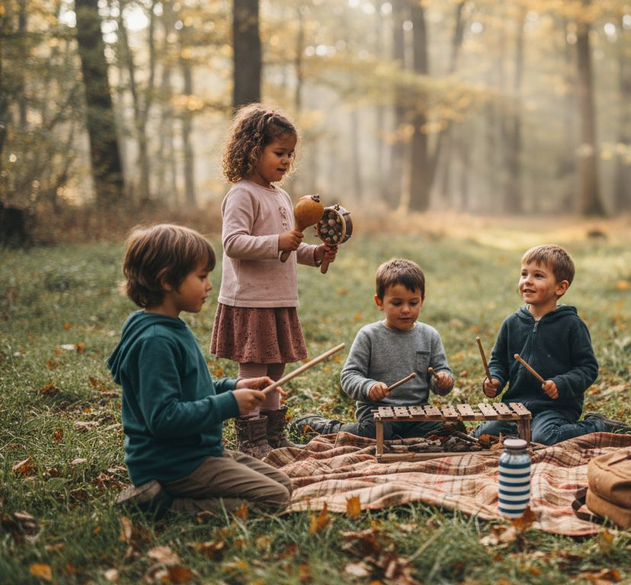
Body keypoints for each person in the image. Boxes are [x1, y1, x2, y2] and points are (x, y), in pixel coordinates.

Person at [107, 224, 293, 516]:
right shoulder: (155, 341)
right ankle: (162, 504)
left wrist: (234, 387)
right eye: (202, 277)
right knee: (275, 498)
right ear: (167, 280)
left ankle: (171, 496)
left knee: (284, 484)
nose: (209, 285)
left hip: (199, 451)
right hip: (173, 463)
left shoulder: (171, 327)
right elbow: (164, 418)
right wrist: (229, 405)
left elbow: (192, 389)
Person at [210, 104, 337, 457]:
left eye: (290, 155)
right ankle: (251, 441)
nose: (285, 161)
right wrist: (277, 242)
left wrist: (315, 254)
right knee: (255, 374)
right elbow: (233, 244)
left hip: (280, 299)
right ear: (253, 150)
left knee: (276, 375)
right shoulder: (241, 194)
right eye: (278, 152)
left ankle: (273, 437)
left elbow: (289, 247)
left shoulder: (282, 197)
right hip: (250, 301)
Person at [474, 245, 631, 445]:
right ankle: (523, 434)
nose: (527, 281)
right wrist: (494, 380)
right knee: (483, 435)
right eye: (524, 274)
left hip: (555, 408)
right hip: (515, 407)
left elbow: (588, 368)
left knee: (544, 438)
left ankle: (598, 426)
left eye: (538, 276)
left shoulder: (572, 325)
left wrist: (562, 383)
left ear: (560, 287)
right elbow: (498, 362)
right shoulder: (511, 323)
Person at [291, 259, 456, 439]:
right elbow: (348, 376)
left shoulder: (430, 335)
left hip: (416, 414)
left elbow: (440, 374)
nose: (406, 310)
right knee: (377, 432)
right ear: (379, 302)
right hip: (377, 413)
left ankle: (398, 439)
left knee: (448, 428)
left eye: (413, 303)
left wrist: (443, 381)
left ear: (422, 301)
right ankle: (326, 428)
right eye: (397, 303)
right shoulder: (369, 335)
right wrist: (369, 387)